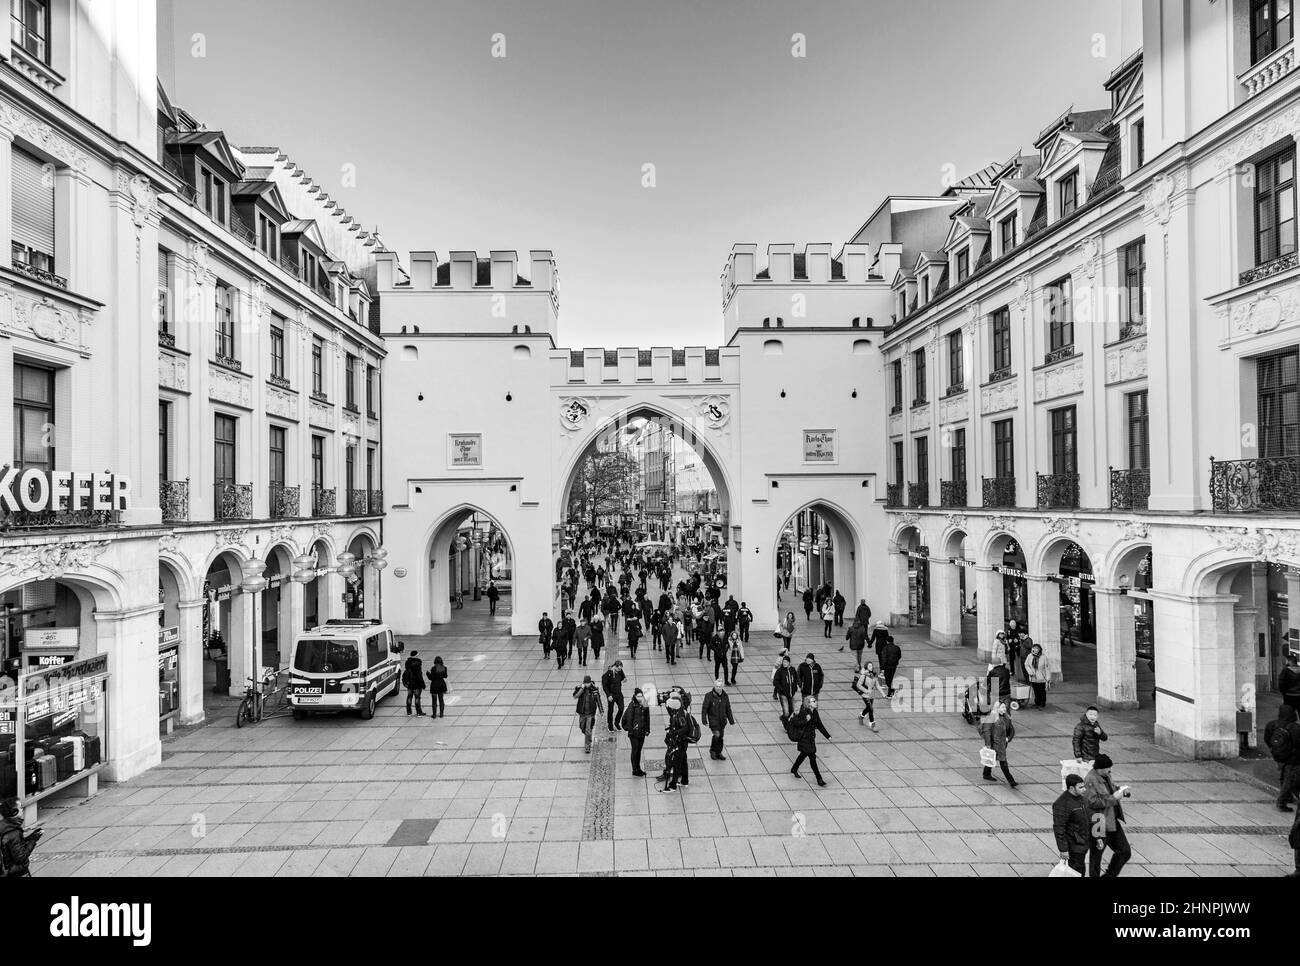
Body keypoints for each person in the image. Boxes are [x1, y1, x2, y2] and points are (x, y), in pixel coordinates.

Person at [1082, 754, 1132, 877]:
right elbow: (1091, 802)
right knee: (1096, 857)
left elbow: (1112, 788)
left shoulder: (1106, 775)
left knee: (1125, 851)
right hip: (1098, 823)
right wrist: (1113, 798)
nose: (1110, 770)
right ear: (1100, 768)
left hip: (1112, 821)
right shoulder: (1090, 780)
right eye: (1108, 767)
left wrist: (1122, 790)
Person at [788, 695, 832, 787]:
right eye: (813, 701)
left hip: (811, 738)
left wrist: (827, 736)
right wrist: (805, 720)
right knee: (813, 759)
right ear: (809, 704)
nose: (816, 702)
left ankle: (794, 768)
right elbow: (796, 723)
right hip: (804, 739)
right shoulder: (803, 712)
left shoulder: (815, 712)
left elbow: (819, 725)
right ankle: (819, 779)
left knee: (803, 754)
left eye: (815, 701)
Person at [1052, 774, 1092, 875]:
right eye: (1081, 787)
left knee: (1079, 870)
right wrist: (1063, 849)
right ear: (1071, 788)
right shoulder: (1061, 803)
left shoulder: (1081, 798)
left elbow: (1087, 819)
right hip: (1073, 845)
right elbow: (1059, 827)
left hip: (1083, 842)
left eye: (1084, 786)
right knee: (1078, 871)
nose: (1084, 789)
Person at [1263, 703, 1300, 811]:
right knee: (1290, 778)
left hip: (1278, 755)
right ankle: (1282, 801)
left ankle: (1287, 797)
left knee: (1283, 775)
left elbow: (1267, 739)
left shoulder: (1271, 725)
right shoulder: (1295, 727)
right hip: (1293, 758)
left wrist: (1275, 750)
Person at [978, 701, 1018, 787]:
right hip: (995, 744)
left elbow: (1012, 730)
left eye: (1005, 707)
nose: (1005, 709)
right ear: (997, 708)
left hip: (1002, 743)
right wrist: (988, 745)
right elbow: (986, 731)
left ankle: (986, 774)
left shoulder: (1007, 717)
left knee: (992, 758)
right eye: (1002, 707)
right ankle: (1011, 781)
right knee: (1003, 762)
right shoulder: (991, 717)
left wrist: (1008, 738)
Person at [0, 797, 39, 877]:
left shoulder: (3, 826)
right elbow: (21, 858)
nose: (22, 810)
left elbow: (11, 845)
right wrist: (33, 840)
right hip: (17, 872)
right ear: (14, 812)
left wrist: (30, 837)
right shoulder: (14, 832)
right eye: (20, 808)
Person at [660, 694, 690, 792]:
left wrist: (676, 733)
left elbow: (685, 728)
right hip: (682, 742)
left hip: (680, 742)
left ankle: (673, 786)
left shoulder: (680, 715)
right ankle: (685, 781)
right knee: (683, 761)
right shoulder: (678, 712)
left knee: (677, 764)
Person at [701, 679, 736, 760]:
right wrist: (704, 720)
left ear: (722, 687)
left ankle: (718, 752)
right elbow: (704, 709)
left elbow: (728, 708)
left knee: (721, 737)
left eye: (720, 686)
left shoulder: (725, 696)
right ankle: (712, 751)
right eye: (716, 686)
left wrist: (731, 720)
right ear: (714, 686)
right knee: (717, 735)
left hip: (722, 721)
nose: (718, 688)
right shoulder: (708, 696)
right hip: (713, 720)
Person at [622, 689, 651, 777]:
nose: (640, 698)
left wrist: (647, 729)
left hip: (642, 732)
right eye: (638, 696)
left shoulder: (645, 704)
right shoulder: (632, 705)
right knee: (635, 750)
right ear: (635, 696)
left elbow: (647, 717)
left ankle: (638, 768)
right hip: (634, 733)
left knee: (639, 750)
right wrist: (630, 730)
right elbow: (627, 718)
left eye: (641, 696)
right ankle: (635, 769)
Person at [573, 676, 604, 754]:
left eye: (588, 683)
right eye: (585, 683)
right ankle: (588, 737)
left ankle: (587, 746)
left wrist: (601, 710)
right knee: (582, 727)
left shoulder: (594, 689)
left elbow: (598, 700)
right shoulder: (579, 688)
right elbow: (575, 696)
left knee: (588, 730)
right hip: (582, 713)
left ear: (590, 682)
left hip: (590, 713)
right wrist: (582, 689)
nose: (587, 685)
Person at [853, 662, 879, 732]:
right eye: (869, 665)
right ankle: (872, 724)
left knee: (868, 707)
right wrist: (866, 690)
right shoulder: (864, 673)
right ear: (866, 667)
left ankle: (861, 716)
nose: (871, 666)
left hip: (871, 694)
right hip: (865, 694)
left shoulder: (873, 673)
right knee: (870, 708)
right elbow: (859, 684)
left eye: (872, 665)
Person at [602, 660, 626, 733]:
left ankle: (616, 722)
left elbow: (623, 677)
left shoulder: (620, 671)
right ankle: (610, 725)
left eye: (621, 668)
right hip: (611, 694)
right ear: (615, 666)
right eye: (619, 668)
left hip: (618, 693)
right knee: (611, 710)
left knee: (621, 708)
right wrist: (608, 695)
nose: (620, 670)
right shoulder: (608, 674)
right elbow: (605, 686)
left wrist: (624, 679)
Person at [773, 653, 798, 719]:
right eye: (783, 662)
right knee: (786, 712)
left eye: (786, 662)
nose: (784, 663)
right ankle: (785, 722)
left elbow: (796, 679)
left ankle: (789, 725)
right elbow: (775, 682)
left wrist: (795, 687)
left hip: (791, 693)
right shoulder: (780, 671)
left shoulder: (792, 670)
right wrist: (781, 689)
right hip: (783, 694)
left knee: (791, 711)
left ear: (789, 663)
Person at [1025, 642, 1050, 708]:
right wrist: (1030, 672)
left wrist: (1048, 678)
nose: (1035, 650)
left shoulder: (1044, 657)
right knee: (1036, 691)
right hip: (1033, 677)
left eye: (1037, 648)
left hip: (1041, 677)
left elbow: (1047, 668)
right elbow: (1026, 665)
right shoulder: (1029, 656)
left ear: (1039, 649)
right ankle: (1037, 703)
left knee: (1041, 691)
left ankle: (1042, 704)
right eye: (1034, 648)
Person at [403, 650, 426, 716]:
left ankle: (409, 712)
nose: (418, 656)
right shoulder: (417, 663)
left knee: (409, 697)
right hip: (416, 684)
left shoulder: (407, 662)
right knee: (417, 698)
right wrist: (423, 684)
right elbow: (419, 675)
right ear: (415, 655)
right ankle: (419, 712)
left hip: (409, 683)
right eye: (417, 655)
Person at [879, 633, 902, 698]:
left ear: (887, 641)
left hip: (887, 666)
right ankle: (891, 691)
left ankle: (891, 691)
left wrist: (882, 667)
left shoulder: (885, 648)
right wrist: (896, 661)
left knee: (887, 679)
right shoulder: (897, 648)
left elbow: (884, 658)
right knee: (890, 678)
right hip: (894, 665)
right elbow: (899, 656)